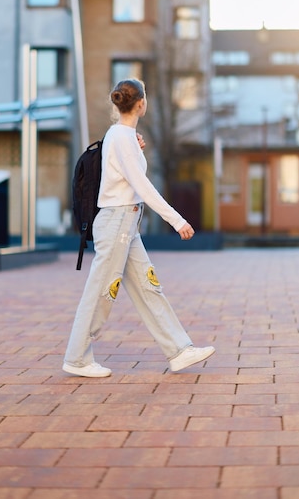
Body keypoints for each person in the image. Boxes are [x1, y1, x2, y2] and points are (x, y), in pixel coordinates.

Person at [63, 78, 215, 377]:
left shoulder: (121, 135)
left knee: (148, 287)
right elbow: (141, 186)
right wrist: (178, 220)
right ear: (142, 103)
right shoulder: (121, 137)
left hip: (125, 223)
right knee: (101, 292)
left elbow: (126, 174)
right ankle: (77, 358)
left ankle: (179, 351)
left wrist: (137, 148)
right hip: (117, 222)